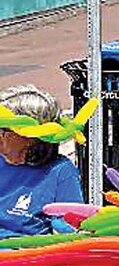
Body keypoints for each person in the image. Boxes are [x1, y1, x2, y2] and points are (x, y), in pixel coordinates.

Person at [0, 86, 84, 236]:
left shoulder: (60, 172)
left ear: (30, 137)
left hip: (24, 253)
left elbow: (70, 228)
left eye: (3, 131)